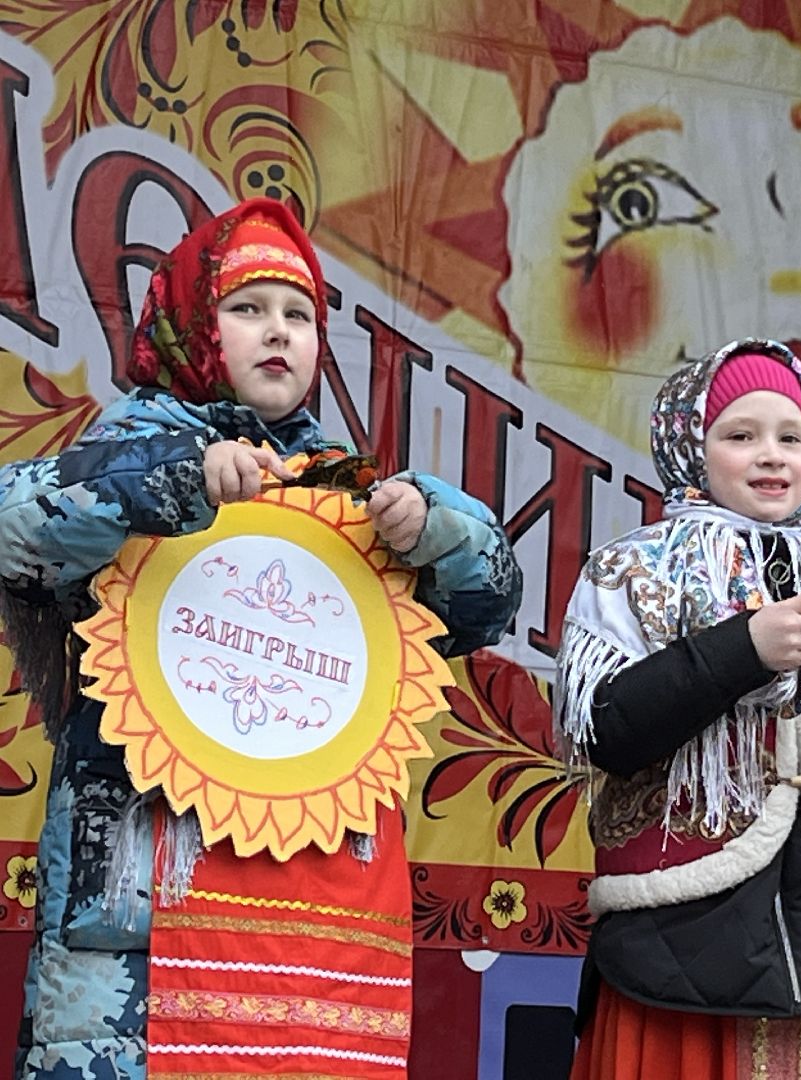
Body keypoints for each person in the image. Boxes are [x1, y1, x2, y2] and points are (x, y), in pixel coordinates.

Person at [1, 198, 521, 1077]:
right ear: (193, 325)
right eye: (247, 309)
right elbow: (16, 519)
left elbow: (489, 605)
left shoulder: (348, 492)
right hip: (140, 938)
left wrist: (436, 530)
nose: (278, 332)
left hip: (312, 948)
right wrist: (176, 483)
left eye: (300, 315)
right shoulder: (128, 454)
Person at [554, 339, 801, 1080]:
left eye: (789, 437)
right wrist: (744, 650)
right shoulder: (632, 571)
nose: (771, 455)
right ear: (688, 447)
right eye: (740, 436)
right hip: (677, 935)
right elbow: (605, 730)